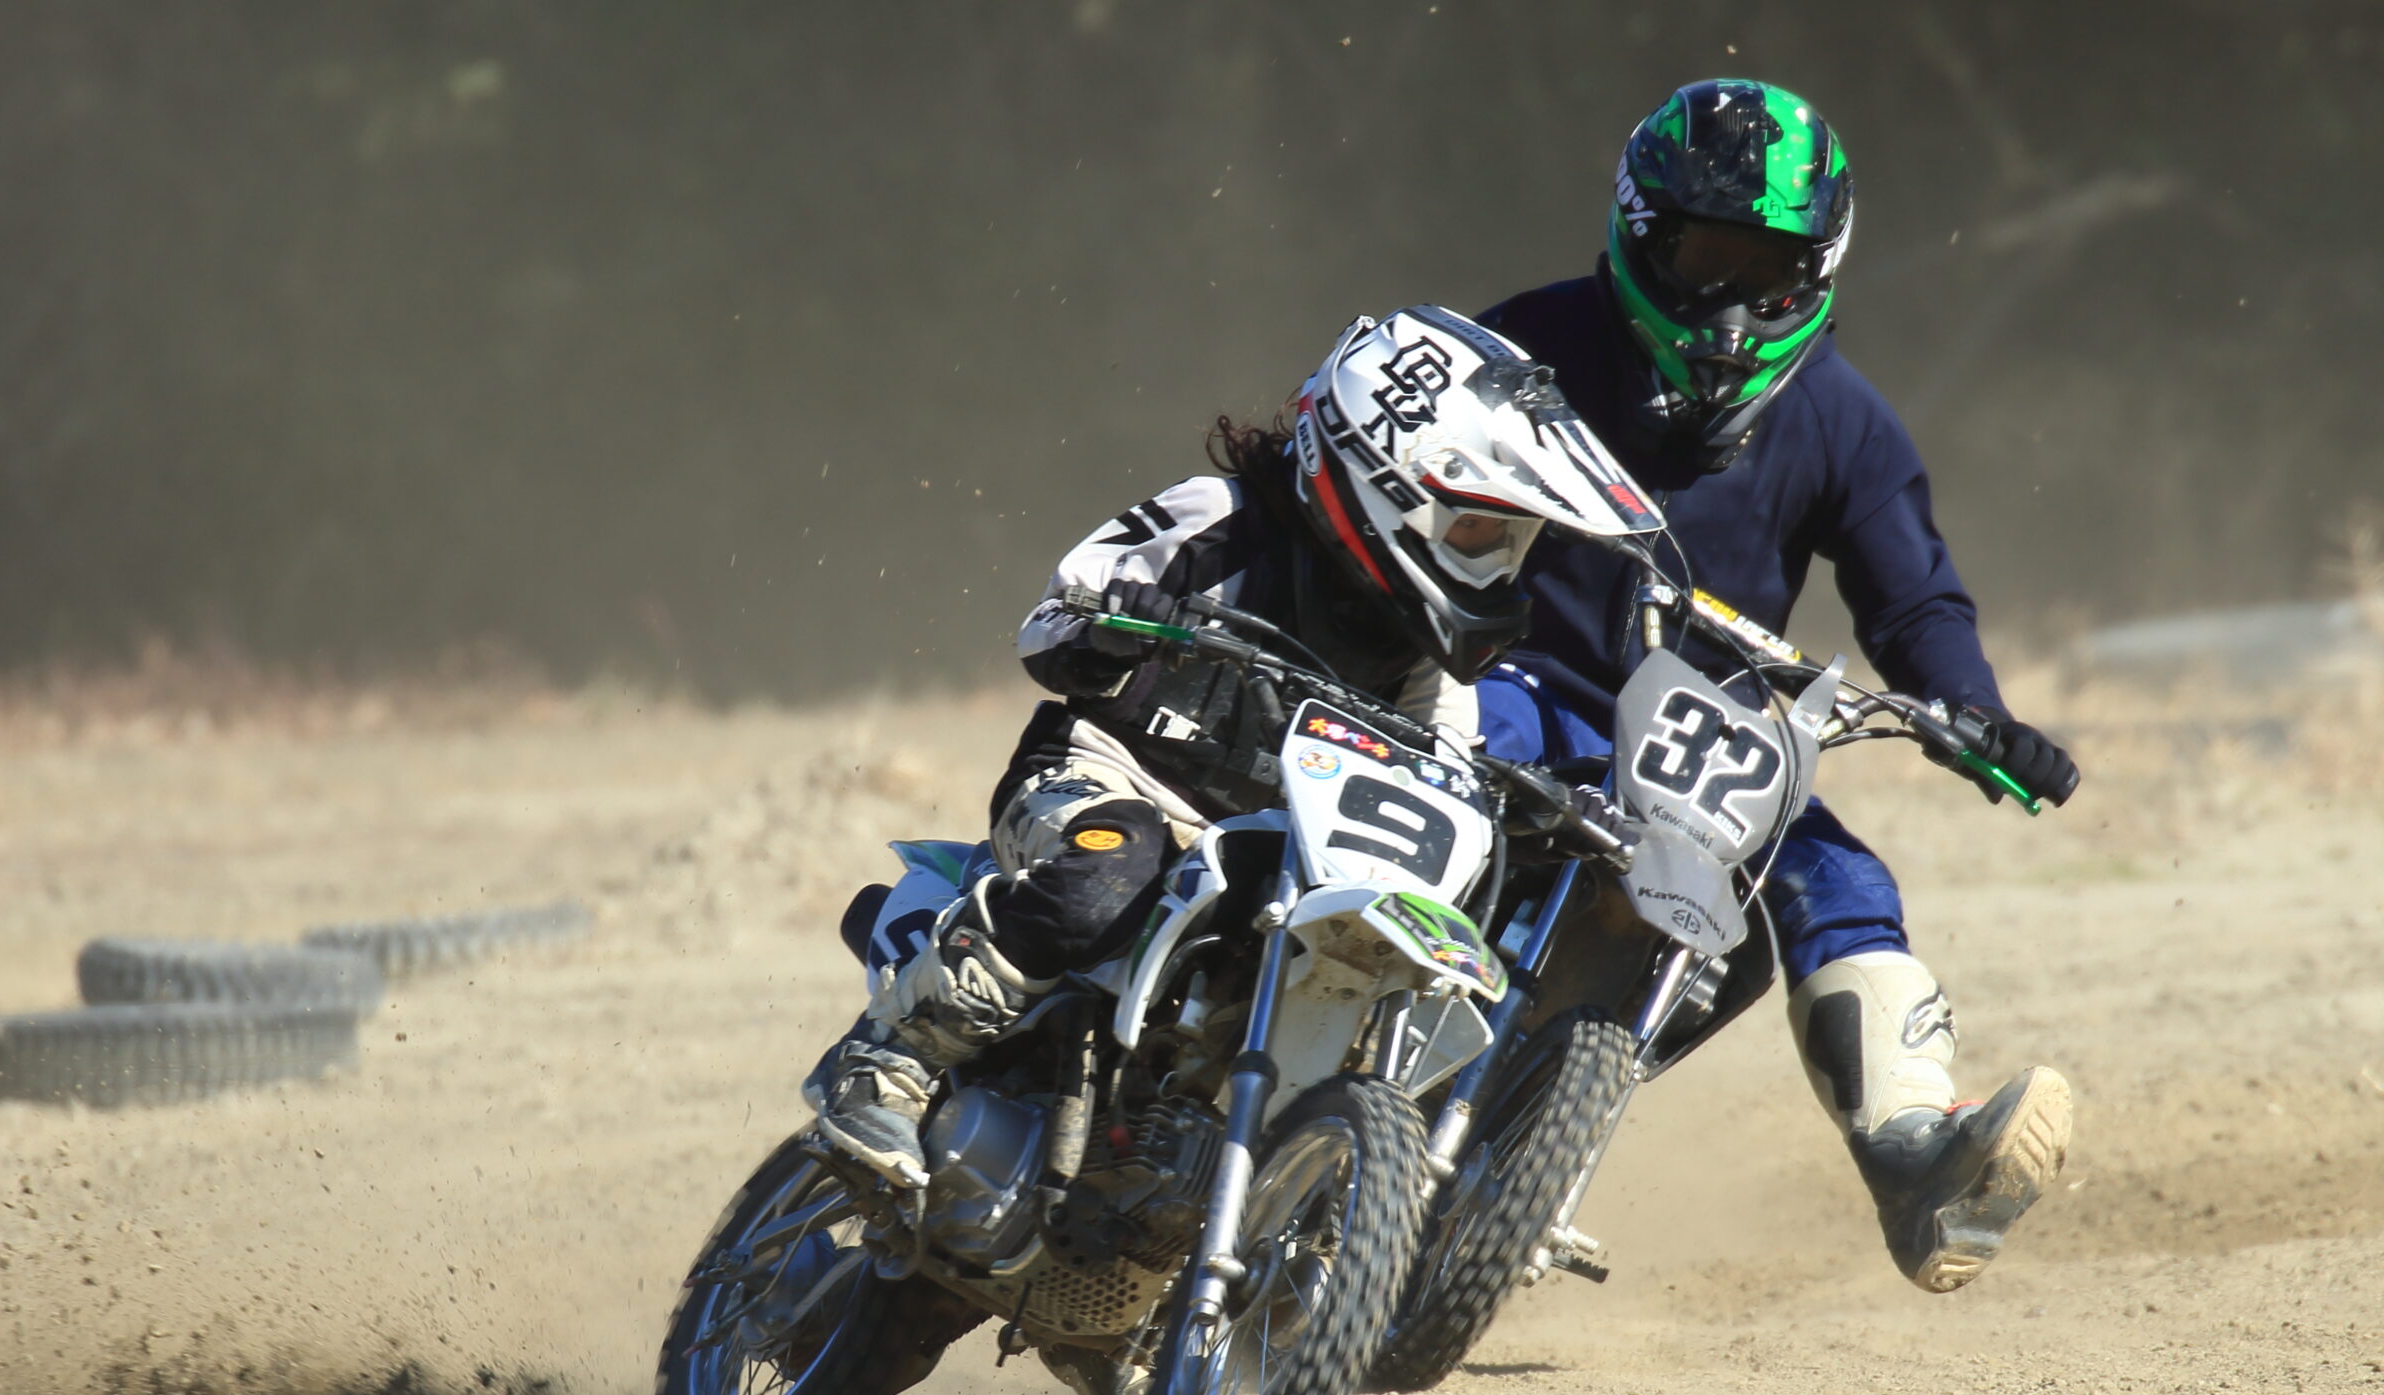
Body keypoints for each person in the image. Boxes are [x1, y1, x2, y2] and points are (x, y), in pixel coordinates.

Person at [802, 305, 1661, 1187]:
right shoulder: (1224, 519)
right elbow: (1049, 625)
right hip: (1107, 778)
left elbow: (1449, 767)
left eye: (1511, 540)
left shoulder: (1423, 655)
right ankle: (890, 1060)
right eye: (1476, 529)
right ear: (1386, 478)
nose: (1497, 560)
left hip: (1268, 849)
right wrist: (1119, 626)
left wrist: (1536, 807)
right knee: (1111, 870)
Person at [1474, 79, 2081, 1293]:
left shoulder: (1844, 423)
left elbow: (1913, 600)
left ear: (1819, 272)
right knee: (1435, 753)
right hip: (1516, 684)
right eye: (1705, 258)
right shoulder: (1519, 347)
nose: (1728, 303)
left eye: (1765, 270)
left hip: (1702, 739)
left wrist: (1972, 707)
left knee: (1839, 877)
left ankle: (1914, 1157)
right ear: (1641, 234)